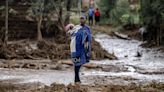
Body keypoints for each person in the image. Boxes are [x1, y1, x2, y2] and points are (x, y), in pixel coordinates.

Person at [65, 16, 92, 84]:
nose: (82, 20)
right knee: (76, 63)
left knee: (81, 62)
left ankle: (77, 79)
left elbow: (89, 38)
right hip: (75, 47)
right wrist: (70, 27)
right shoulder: (76, 27)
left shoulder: (87, 28)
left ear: (86, 20)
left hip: (83, 48)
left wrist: (86, 35)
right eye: (81, 18)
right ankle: (76, 79)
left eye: (83, 18)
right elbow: (69, 33)